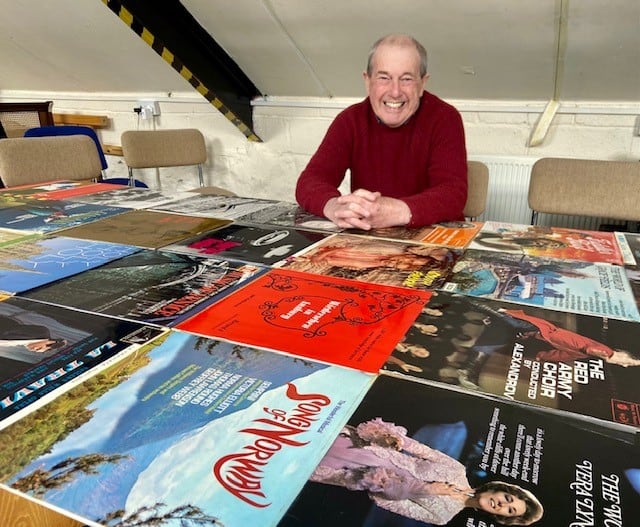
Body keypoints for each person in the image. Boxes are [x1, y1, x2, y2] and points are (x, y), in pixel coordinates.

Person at [295, 34, 467, 230]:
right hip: (369, 240)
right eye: (384, 78)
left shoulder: (445, 118)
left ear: (422, 84)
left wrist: (397, 211)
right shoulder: (350, 120)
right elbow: (310, 181)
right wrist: (335, 207)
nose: (395, 91)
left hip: (433, 242)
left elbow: (453, 194)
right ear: (367, 82)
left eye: (406, 79)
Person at [311, 418, 543, 525]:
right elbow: (422, 450)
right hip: (366, 447)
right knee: (310, 427)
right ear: (502, 490)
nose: (502, 505)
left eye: (509, 510)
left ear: (502, 518)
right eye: (508, 498)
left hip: (348, 472)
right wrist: (396, 440)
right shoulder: (457, 469)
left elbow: (385, 502)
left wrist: (424, 490)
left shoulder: (442, 517)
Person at [0, 315, 67, 363]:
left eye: (35, 351)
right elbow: (10, 329)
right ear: (49, 342)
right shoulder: (41, 332)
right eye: (38, 348)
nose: (33, 349)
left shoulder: (21, 343)